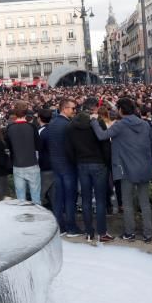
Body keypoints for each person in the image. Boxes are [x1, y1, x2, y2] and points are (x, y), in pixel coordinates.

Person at [90, 96, 152, 243]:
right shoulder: (145, 124)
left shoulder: (120, 125)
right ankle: (148, 234)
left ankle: (130, 233)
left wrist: (94, 121)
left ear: (121, 110)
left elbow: (102, 136)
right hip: (145, 167)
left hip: (126, 168)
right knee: (144, 203)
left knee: (127, 203)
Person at [67, 97, 113, 243]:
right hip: (98, 163)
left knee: (86, 199)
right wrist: (107, 162)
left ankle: (89, 232)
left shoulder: (72, 124)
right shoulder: (97, 122)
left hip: (82, 163)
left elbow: (70, 148)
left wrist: (76, 161)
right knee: (100, 200)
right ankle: (102, 232)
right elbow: (106, 145)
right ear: (94, 108)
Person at [48, 98, 81, 237]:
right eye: (73, 108)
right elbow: (72, 147)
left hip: (56, 164)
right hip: (67, 165)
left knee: (59, 197)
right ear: (64, 109)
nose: (75, 111)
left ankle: (60, 227)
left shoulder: (52, 123)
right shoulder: (68, 125)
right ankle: (71, 227)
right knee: (69, 197)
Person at [6, 101, 41, 204]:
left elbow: (8, 146)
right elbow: (39, 146)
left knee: (21, 200)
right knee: (36, 199)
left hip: (18, 165)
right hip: (32, 164)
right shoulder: (32, 127)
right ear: (26, 112)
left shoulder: (10, 128)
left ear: (15, 112)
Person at [37, 108, 54, 208]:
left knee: (41, 192)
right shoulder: (54, 129)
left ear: (39, 119)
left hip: (45, 166)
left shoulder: (40, 132)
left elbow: (37, 150)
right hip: (56, 164)